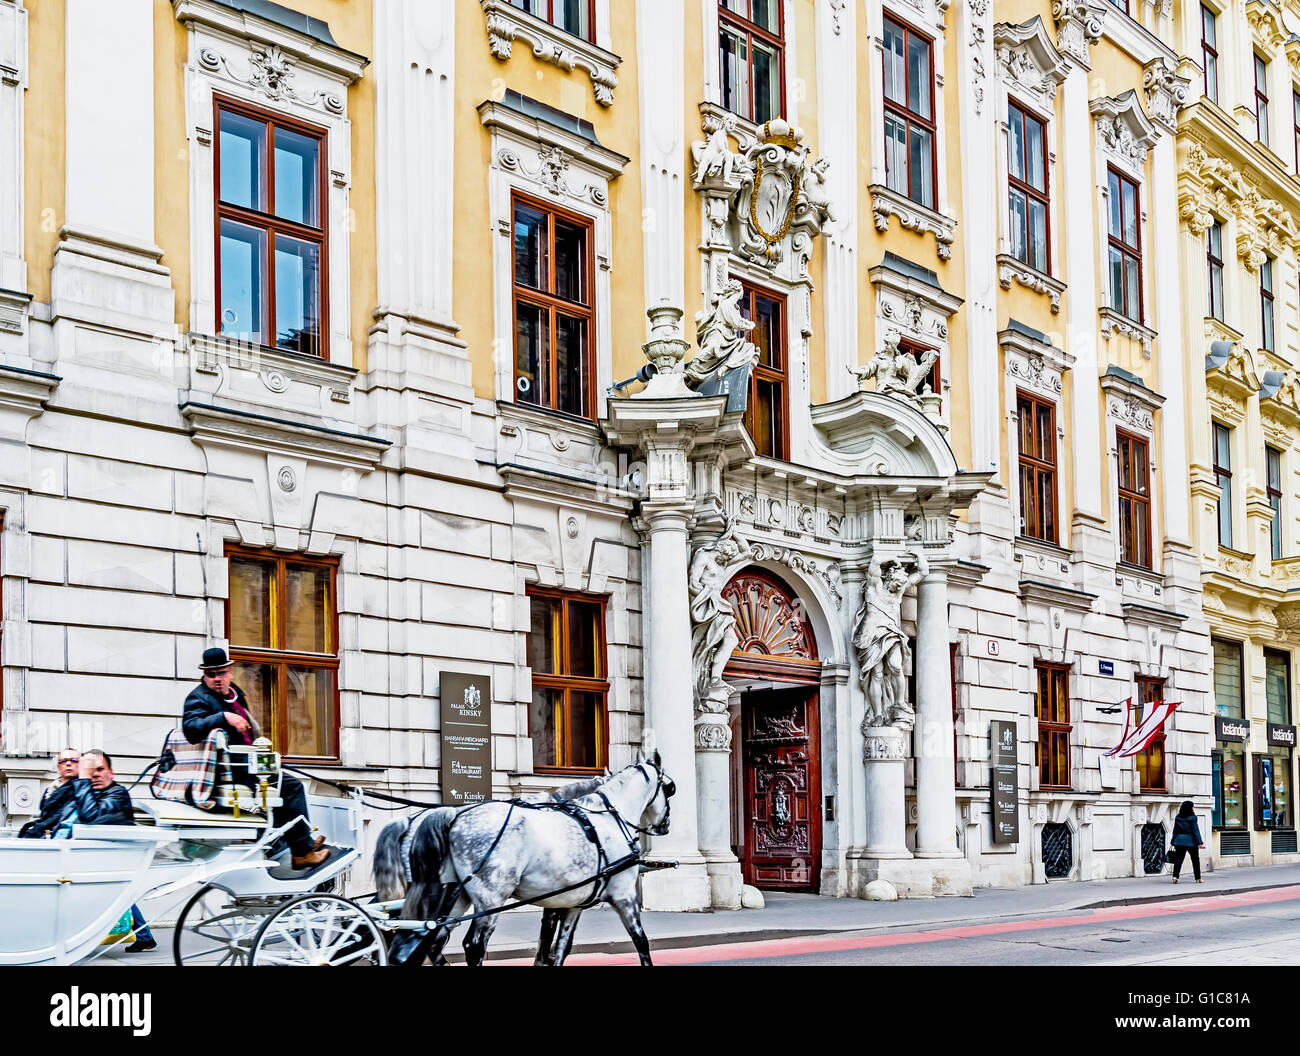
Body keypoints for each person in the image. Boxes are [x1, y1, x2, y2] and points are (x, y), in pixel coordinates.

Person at [183, 647, 327, 868]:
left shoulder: (235, 694)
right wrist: (223, 717)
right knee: (291, 787)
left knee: (282, 790)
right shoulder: (198, 698)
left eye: (221, 673)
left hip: (251, 763)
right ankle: (302, 852)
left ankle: (299, 843)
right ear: (204, 675)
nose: (217, 679)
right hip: (235, 769)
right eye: (211, 675)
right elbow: (191, 729)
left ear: (230, 671)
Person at [1170, 800, 1204, 883]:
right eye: (1192, 806)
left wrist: (1173, 841)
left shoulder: (1178, 817)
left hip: (1179, 841)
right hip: (1191, 841)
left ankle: (1175, 877)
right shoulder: (1193, 817)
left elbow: (1175, 830)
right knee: (1195, 860)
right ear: (1190, 808)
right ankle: (1198, 878)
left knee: (1178, 860)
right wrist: (1200, 842)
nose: (1193, 808)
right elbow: (1196, 830)